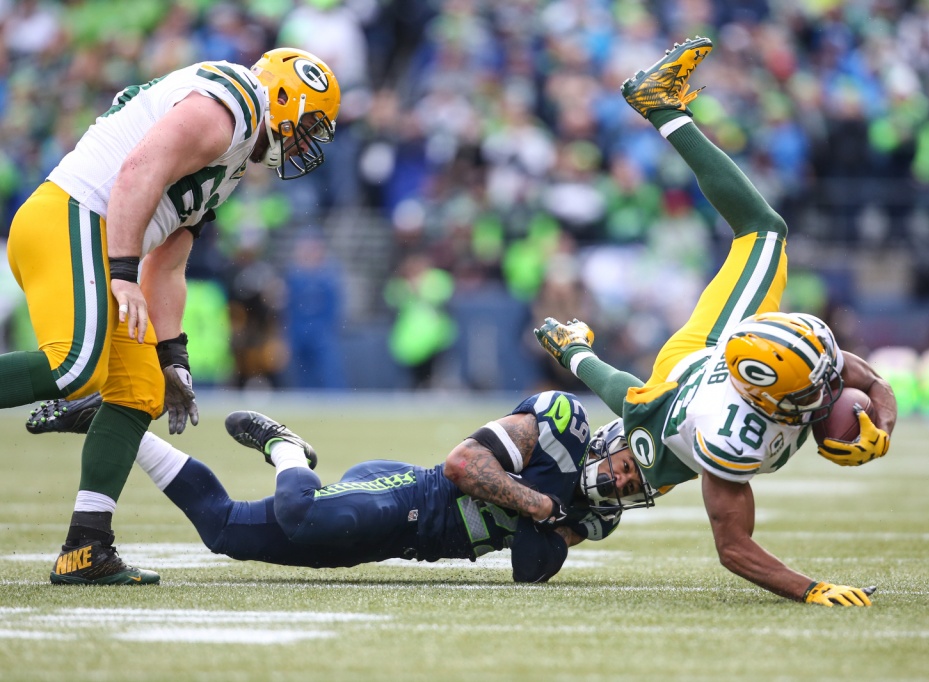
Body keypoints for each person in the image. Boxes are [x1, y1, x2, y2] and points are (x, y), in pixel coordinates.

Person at [534, 37, 898, 607]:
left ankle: (662, 108)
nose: (835, 387)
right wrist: (811, 590)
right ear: (774, 402)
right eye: (822, 388)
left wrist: (885, 413)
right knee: (766, 231)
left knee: (764, 231)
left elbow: (859, 376)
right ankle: (660, 105)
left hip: (708, 360)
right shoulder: (727, 436)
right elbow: (733, 547)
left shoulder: (802, 367)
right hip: (695, 376)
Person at [3, 47, 342, 585]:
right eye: (309, 124)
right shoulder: (235, 99)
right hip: (75, 214)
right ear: (284, 95)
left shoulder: (231, 162)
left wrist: (172, 354)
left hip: (105, 232)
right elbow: (140, 168)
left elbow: (169, 261)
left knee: (140, 391)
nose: (306, 141)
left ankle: (85, 548)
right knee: (74, 367)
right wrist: (119, 271)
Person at [27, 391, 620, 582]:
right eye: (623, 467)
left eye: (631, 483)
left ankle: (118, 428)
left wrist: (561, 521)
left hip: (395, 539)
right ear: (608, 445)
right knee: (307, 516)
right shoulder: (559, 426)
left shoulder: (596, 514)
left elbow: (529, 567)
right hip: (405, 495)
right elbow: (464, 467)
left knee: (223, 531)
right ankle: (285, 447)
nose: (621, 482)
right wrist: (543, 504)